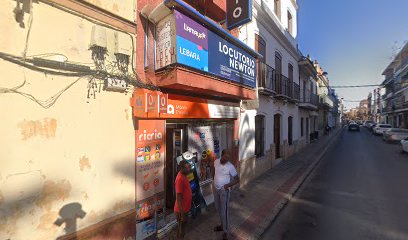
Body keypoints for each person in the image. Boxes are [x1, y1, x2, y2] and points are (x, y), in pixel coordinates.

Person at [212, 149, 240, 240]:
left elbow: (237, 179)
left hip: (224, 191)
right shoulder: (216, 162)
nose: (227, 158)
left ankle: (225, 232)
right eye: (226, 156)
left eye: (229, 157)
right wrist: (214, 180)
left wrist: (227, 185)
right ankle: (222, 225)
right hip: (216, 188)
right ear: (222, 155)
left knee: (224, 211)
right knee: (218, 208)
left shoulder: (230, 166)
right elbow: (213, 170)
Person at [174, 160, 192, 239]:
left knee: (182, 228)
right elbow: (178, 196)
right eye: (188, 168)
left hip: (185, 208)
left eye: (189, 167)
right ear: (182, 168)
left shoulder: (184, 175)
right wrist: (181, 212)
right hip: (181, 210)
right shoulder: (180, 179)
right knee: (181, 229)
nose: (189, 169)